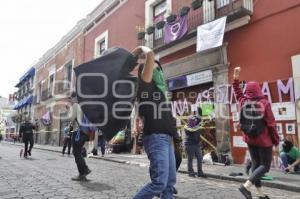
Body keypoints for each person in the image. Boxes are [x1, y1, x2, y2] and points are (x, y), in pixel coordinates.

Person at [132, 46, 180, 199]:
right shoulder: (145, 87)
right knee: (159, 183)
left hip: (167, 139)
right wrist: (140, 48)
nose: (158, 70)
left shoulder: (162, 96)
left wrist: (174, 139)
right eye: (154, 66)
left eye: (160, 69)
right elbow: (150, 54)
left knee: (169, 184)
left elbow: (169, 120)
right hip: (155, 138)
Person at [233, 66, 279, 199]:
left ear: (248, 91)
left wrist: (236, 78)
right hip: (263, 140)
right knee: (265, 166)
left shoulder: (244, 101)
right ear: (258, 89)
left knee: (255, 164)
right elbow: (271, 124)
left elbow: (238, 93)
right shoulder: (264, 102)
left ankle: (260, 194)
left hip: (249, 138)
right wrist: (276, 141)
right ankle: (245, 186)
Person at [69, 92, 91, 181]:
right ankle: (84, 172)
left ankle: (83, 171)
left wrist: (69, 110)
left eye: (70, 98)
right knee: (78, 152)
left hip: (77, 132)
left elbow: (71, 118)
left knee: (76, 153)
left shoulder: (75, 105)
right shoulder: (84, 105)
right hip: (84, 132)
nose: (70, 100)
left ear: (74, 98)